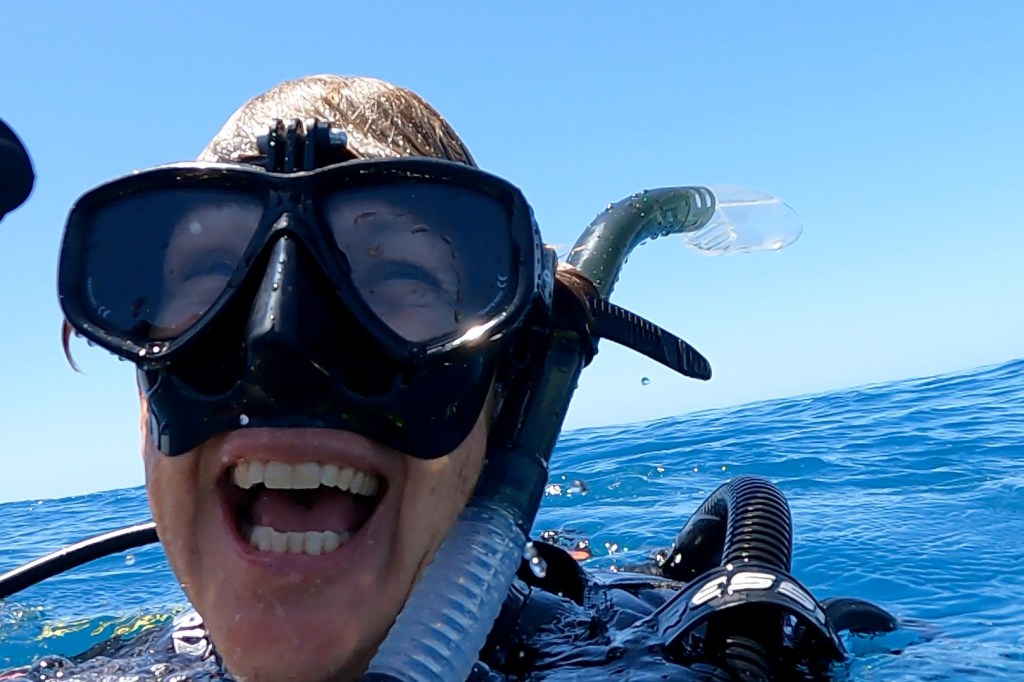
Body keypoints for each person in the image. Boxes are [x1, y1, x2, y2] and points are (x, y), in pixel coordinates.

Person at [47, 75, 894, 681]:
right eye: (203, 278)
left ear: (504, 393)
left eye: (402, 281)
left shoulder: (694, 653)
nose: (278, 346)